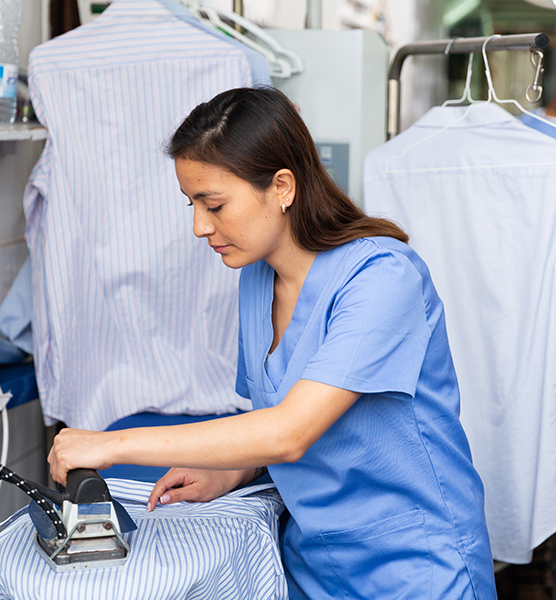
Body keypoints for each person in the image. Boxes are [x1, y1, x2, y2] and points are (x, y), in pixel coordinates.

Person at [48, 86, 497, 599]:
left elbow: (290, 431)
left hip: (416, 569)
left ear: (283, 186)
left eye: (214, 204)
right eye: (191, 204)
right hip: (313, 566)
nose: (199, 226)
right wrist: (234, 469)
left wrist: (111, 443)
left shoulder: (382, 279)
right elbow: (294, 420)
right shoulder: (257, 279)